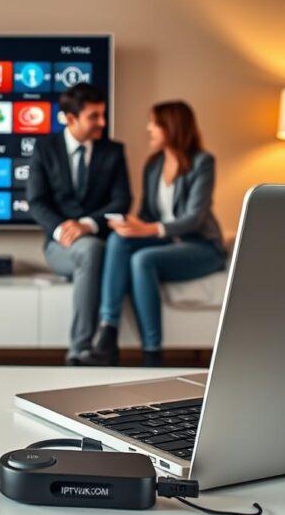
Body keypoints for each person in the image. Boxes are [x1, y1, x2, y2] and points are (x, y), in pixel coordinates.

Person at [89, 101, 226, 367]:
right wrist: (131, 225)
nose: (148, 129)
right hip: (167, 241)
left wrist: (148, 229)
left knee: (143, 260)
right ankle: (108, 329)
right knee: (119, 239)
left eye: (154, 123)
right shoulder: (154, 165)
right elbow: (148, 214)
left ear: (171, 126)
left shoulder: (202, 162)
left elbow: (194, 218)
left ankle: (152, 353)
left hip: (201, 246)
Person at [27, 83, 131, 365]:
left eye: (103, 115)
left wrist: (87, 224)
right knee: (90, 251)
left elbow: (122, 201)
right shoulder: (45, 148)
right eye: (94, 117)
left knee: (95, 249)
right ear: (71, 118)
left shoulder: (113, 151)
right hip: (59, 247)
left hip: (102, 241)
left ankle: (85, 349)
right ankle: (80, 349)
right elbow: (36, 202)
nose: (103, 123)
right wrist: (64, 230)